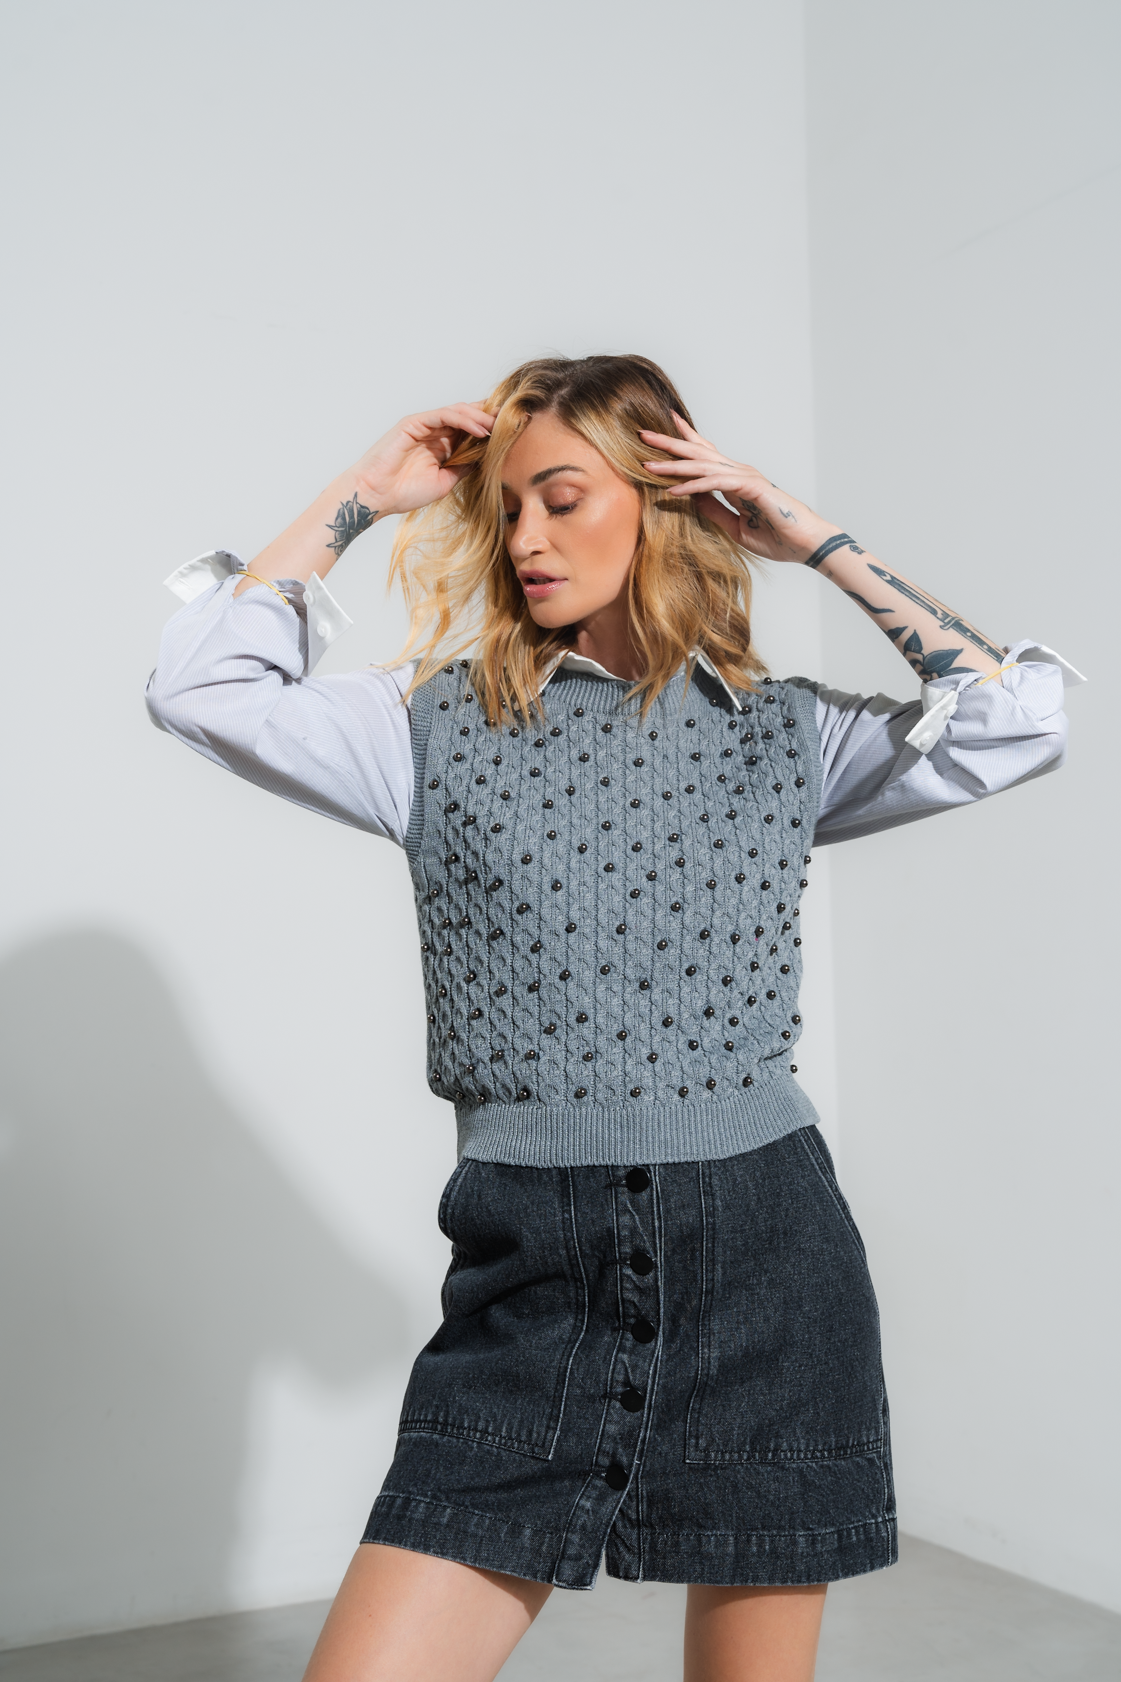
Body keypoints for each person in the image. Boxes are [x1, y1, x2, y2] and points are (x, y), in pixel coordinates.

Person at [147, 355, 1078, 1682]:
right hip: (533, 1270)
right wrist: (362, 494)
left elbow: (1015, 720)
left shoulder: (783, 734)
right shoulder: (428, 726)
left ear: (663, 501)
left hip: (768, 1262)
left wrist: (814, 540)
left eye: (564, 498)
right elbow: (200, 689)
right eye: (506, 507)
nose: (526, 537)